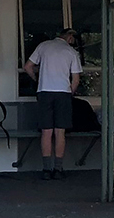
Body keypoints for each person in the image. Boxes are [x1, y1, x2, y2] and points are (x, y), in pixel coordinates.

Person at [25, 27, 83, 180]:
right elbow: (76, 79)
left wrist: (37, 80)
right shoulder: (71, 52)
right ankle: (57, 168)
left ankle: (46, 169)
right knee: (60, 132)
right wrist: (71, 92)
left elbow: (28, 66)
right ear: (69, 38)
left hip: (44, 91)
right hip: (63, 93)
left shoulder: (44, 46)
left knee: (46, 131)